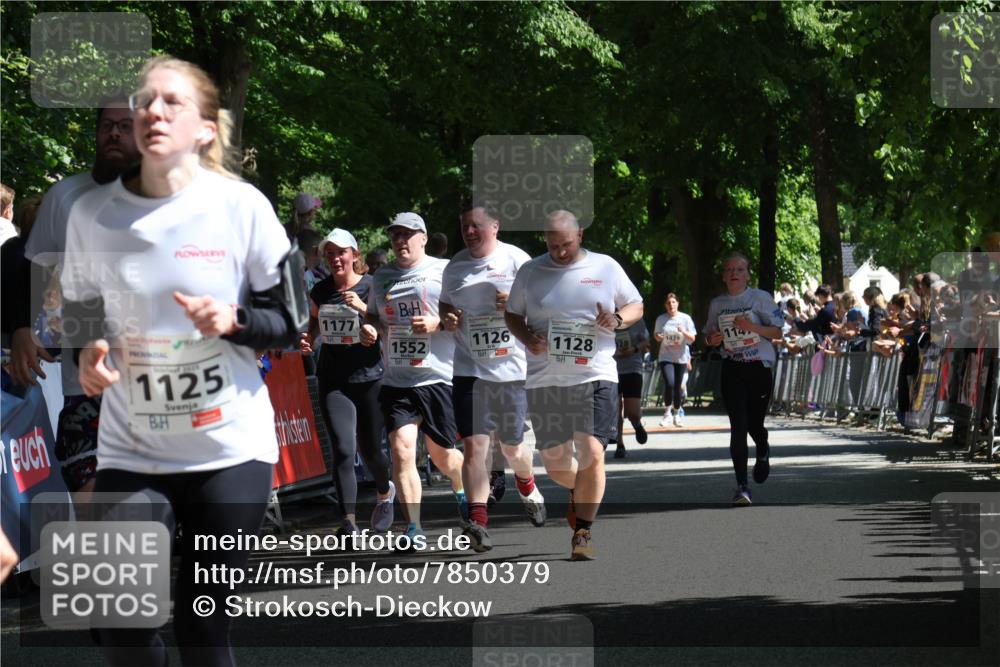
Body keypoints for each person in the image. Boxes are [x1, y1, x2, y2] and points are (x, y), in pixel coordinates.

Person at [61, 55, 299, 666]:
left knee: (202, 625)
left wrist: (234, 321)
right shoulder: (92, 213)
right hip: (132, 447)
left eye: (172, 102)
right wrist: (89, 349)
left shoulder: (242, 207)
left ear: (205, 129)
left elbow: (293, 322)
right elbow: (84, 306)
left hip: (228, 449)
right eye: (144, 102)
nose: (153, 112)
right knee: (118, 622)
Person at [8, 98, 141, 501]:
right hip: (86, 392)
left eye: (125, 125)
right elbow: (26, 266)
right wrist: (19, 328)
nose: (114, 132)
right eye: (106, 126)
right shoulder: (65, 196)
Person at [505, 210, 643, 560]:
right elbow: (511, 314)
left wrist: (616, 318)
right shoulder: (531, 271)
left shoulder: (605, 267)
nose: (560, 252)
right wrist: (526, 338)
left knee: (593, 453)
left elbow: (636, 304)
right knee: (555, 463)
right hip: (545, 379)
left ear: (580, 234)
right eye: (553, 245)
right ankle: (578, 491)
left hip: (595, 373)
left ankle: (583, 532)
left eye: (566, 244)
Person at [440, 203, 547, 551]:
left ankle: (527, 483)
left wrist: (515, 305)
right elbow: (444, 305)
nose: (470, 232)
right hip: (469, 370)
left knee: (512, 447)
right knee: (475, 446)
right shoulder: (455, 266)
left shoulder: (518, 260)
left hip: (511, 372)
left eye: (476, 226)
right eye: (464, 227)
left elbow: (542, 307)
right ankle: (478, 522)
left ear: (495, 226)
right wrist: (449, 318)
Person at [360, 212, 465, 544]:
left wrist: (438, 323)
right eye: (395, 236)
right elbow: (376, 316)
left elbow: (463, 315)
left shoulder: (445, 271)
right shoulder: (382, 277)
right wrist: (370, 328)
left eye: (408, 235)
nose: (401, 241)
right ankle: (414, 528)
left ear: (423, 237)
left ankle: (463, 486)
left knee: (443, 456)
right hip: (398, 380)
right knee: (401, 449)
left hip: (437, 377)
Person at [300, 228, 394, 539]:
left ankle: (384, 491)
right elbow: (314, 321)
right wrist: (309, 338)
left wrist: (367, 318)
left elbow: (386, 324)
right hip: (333, 378)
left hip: (368, 378)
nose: (335, 259)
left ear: (354, 255)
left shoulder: (371, 286)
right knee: (342, 447)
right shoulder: (321, 290)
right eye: (329, 254)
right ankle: (349, 521)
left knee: (371, 452)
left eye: (341, 253)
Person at [702, 253, 784, 506]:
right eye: (729, 269)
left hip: (758, 367)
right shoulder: (718, 304)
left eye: (739, 269)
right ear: (724, 275)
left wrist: (752, 327)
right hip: (732, 367)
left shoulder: (760, 298)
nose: (734, 273)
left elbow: (778, 332)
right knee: (738, 426)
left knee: (754, 425)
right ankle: (742, 486)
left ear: (748, 274)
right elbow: (708, 335)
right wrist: (712, 340)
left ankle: (763, 449)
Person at [653, 293, 696, 428]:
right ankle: (667, 414)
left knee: (677, 387)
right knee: (669, 383)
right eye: (668, 303)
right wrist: (659, 337)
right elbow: (656, 335)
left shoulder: (685, 318)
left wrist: (683, 331)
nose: (671, 305)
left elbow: (692, 338)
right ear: (665, 305)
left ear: (677, 303)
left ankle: (677, 414)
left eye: (673, 302)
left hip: (681, 357)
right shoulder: (661, 319)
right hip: (666, 356)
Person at [612, 319, 649, 457]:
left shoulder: (636, 320)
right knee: (616, 410)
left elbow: (646, 341)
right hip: (611, 369)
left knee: (632, 412)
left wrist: (634, 349)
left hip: (632, 368)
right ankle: (619, 444)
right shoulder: (605, 319)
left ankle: (637, 424)